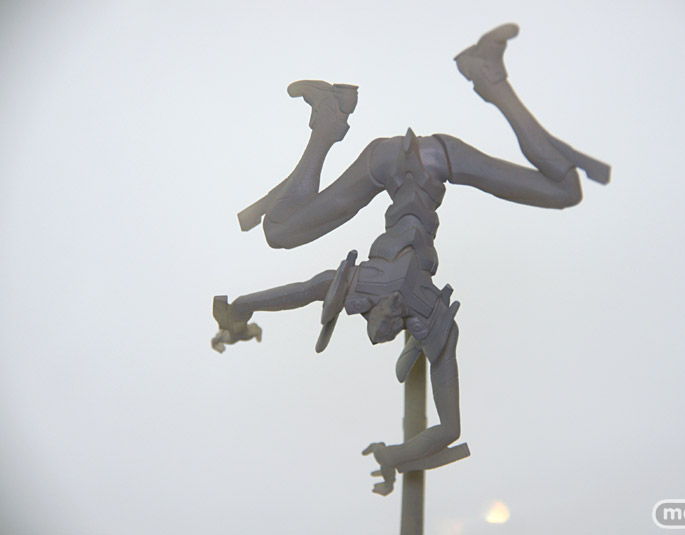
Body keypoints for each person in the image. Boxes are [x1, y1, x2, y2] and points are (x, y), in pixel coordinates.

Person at [211, 23, 609, 495]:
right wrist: (394, 456)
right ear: (401, 328)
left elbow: (296, 293)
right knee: (564, 190)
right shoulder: (427, 316)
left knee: (280, 231)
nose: (378, 330)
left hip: (396, 166)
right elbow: (449, 429)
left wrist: (244, 307)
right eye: (386, 331)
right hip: (434, 162)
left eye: (372, 329)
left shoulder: (365, 288)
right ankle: (488, 78)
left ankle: (330, 120)